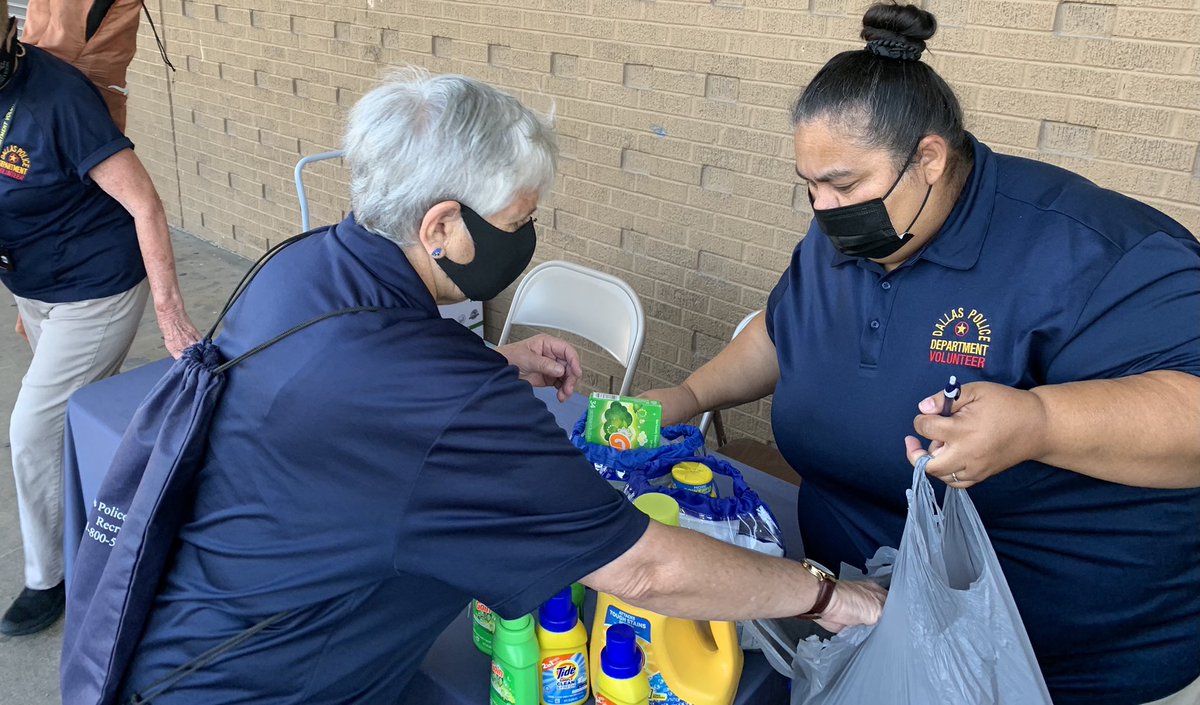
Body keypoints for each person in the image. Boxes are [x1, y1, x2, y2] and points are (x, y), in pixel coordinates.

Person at [114, 70, 885, 704]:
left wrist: (493, 361)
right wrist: (829, 597)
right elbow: (644, 568)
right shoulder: (449, 407)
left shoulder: (305, 261)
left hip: (189, 634)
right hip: (260, 685)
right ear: (442, 225)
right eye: (521, 218)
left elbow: (361, 383)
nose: (529, 235)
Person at [644, 4, 1200, 705]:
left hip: (1063, 663)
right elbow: (786, 331)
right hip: (871, 623)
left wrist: (1039, 421)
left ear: (929, 159)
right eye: (809, 186)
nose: (822, 208)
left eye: (844, 185)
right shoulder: (846, 237)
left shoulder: (1087, 248)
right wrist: (693, 395)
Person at [0, 2, 200, 637]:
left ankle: (49, 578)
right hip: (36, 286)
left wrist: (170, 316)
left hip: (96, 288)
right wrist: (20, 301)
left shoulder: (59, 99)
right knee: (68, 420)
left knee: (33, 428)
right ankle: (121, 517)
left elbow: (145, 206)